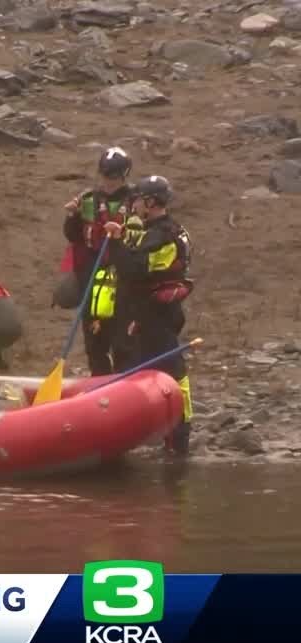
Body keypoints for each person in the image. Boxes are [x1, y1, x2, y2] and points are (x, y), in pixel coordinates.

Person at [105, 175, 194, 454]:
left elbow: (134, 269)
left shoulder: (165, 236)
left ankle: (179, 435)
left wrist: (118, 244)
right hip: (148, 313)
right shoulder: (155, 230)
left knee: (171, 370)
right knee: (138, 366)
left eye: (140, 199)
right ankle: (146, 429)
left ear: (152, 203)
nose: (135, 204)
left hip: (158, 314)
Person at [60, 146, 135, 375]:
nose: (108, 182)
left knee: (122, 340)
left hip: (122, 280)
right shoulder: (89, 199)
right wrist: (73, 216)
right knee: (94, 341)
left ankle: (124, 383)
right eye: (104, 175)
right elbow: (73, 236)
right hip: (92, 278)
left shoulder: (136, 201)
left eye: (113, 177)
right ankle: (98, 381)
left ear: (124, 176)